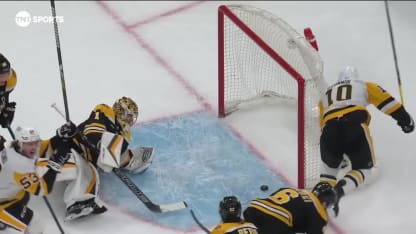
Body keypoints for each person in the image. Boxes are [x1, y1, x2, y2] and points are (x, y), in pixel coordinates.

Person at [315, 66, 414, 212]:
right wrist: (406, 122)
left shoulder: (325, 96)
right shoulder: (363, 85)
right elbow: (389, 104)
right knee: (363, 168)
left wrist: (337, 153)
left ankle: (317, 202)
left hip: (329, 129)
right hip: (353, 124)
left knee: (329, 171)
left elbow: (322, 125)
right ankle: (337, 192)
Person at [53, 96, 155, 220]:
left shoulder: (123, 132)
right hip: (70, 151)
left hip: (86, 156)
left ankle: (132, 160)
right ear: (120, 112)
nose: (131, 120)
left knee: (104, 160)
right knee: (89, 172)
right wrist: (101, 144)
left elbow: (114, 151)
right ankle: (77, 203)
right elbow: (92, 131)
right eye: (129, 116)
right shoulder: (104, 114)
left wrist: (112, 156)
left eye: (132, 117)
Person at [0, 126, 71, 234]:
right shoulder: (18, 166)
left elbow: (46, 147)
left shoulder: (18, 148)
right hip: (3, 203)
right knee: (37, 224)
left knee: (25, 195)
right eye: (29, 144)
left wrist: (60, 136)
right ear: (20, 143)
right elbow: (43, 189)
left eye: (35, 143)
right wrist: (56, 165)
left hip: (11, 195)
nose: (34, 147)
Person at [243, 183, 337, 234]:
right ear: (325, 202)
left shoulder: (294, 190)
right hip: (275, 221)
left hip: (253, 209)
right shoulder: (319, 210)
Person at [0, 53, 17, 128]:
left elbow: (4, 94)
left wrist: (6, 111)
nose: (4, 80)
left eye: (7, 75)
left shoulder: (10, 81)